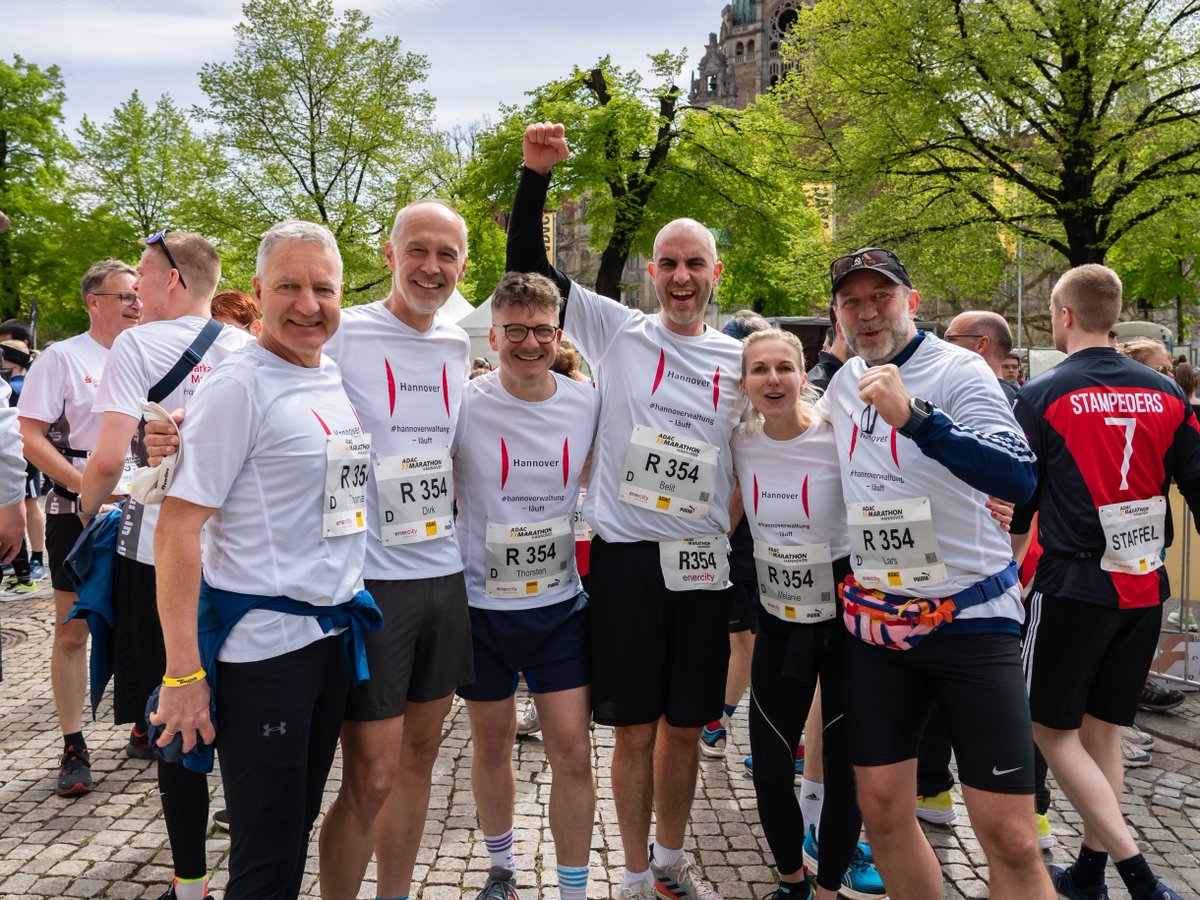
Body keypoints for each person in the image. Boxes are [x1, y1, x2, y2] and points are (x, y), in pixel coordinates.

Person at [510, 122, 743, 900]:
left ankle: (673, 862)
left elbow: (786, 437)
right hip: (628, 558)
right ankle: (636, 873)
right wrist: (534, 176)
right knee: (635, 730)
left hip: (705, 564)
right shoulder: (614, 329)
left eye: (694, 264)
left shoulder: (741, 360)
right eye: (669, 264)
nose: (681, 277)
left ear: (716, 272)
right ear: (652, 271)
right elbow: (530, 271)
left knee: (685, 729)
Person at [152, 220, 377, 900]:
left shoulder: (328, 372)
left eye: (323, 288)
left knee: (292, 828)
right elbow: (177, 531)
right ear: (257, 291)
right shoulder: (238, 385)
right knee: (267, 856)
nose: (308, 305)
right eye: (288, 286)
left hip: (329, 638)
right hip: (263, 654)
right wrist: (184, 672)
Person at [820, 246, 1053, 899]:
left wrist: (917, 420)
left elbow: (1018, 476)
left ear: (911, 302)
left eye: (881, 296)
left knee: (1009, 833)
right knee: (886, 812)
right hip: (880, 632)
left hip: (971, 628)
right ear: (837, 313)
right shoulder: (840, 385)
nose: (868, 313)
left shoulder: (959, 373)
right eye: (852, 301)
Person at [1014, 265, 1200, 900]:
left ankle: (1137, 874)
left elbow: (1019, 497)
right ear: (1113, 314)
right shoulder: (1168, 393)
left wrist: (1013, 567)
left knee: (1048, 729)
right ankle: (1089, 873)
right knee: (1103, 731)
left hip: (1072, 581)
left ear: (1063, 315)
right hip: (1145, 582)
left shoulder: (1041, 394)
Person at [82, 229, 249, 900]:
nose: (132, 297)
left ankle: (190, 884)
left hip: (162, 559)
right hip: (237, 558)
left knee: (176, 718)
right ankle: (252, 855)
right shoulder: (247, 345)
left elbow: (105, 458)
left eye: (142, 282)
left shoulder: (136, 345)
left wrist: (89, 505)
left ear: (174, 281)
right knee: (241, 709)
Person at [317, 199, 475, 900]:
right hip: (373, 580)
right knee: (371, 775)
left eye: (446, 255)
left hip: (444, 573)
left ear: (462, 266)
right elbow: (260, 377)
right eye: (418, 250)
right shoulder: (343, 332)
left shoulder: (457, 345)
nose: (431, 267)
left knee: (419, 758)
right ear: (389, 255)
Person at [454, 272, 600, 900]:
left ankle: (572, 888)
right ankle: (501, 869)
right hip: (478, 606)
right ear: (493, 336)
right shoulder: (462, 401)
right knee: (491, 743)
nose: (529, 343)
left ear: (558, 335)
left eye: (541, 330)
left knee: (572, 750)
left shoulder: (586, 401)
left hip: (559, 606)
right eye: (515, 330)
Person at [733, 328, 884, 900]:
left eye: (783, 368)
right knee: (772, 767)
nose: (772, 380)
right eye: (759, 370)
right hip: (777, 616)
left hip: (844, 615)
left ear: (803, 374)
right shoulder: (739, 441)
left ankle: (827, 890)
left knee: (844, 769)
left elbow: (895, 481)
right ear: (744, 382)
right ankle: (792, 883)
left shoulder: (837, 436)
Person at [16, 258, 142, 795]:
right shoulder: (64, 357)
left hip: (145, 505)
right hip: (76, 512)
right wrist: (84, 488)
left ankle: (145, 719)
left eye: (140, 294)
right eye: (126, 297)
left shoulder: (153, 352)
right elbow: (31, 435)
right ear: (95, 301)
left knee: (146, 620)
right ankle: (73, 743)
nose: (138, 304)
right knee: (73, 630)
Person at [0, 339, 44, 596]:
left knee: (30, 505)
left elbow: (7, 431)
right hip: (20, 461)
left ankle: (29, 570)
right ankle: (28, 568)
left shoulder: (18, 386)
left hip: (21, 459)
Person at [943, 310, 1020, 405]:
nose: (944, 345)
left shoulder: (986, 398)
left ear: (981, 344)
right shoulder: (1003, 394)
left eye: (950, 339)